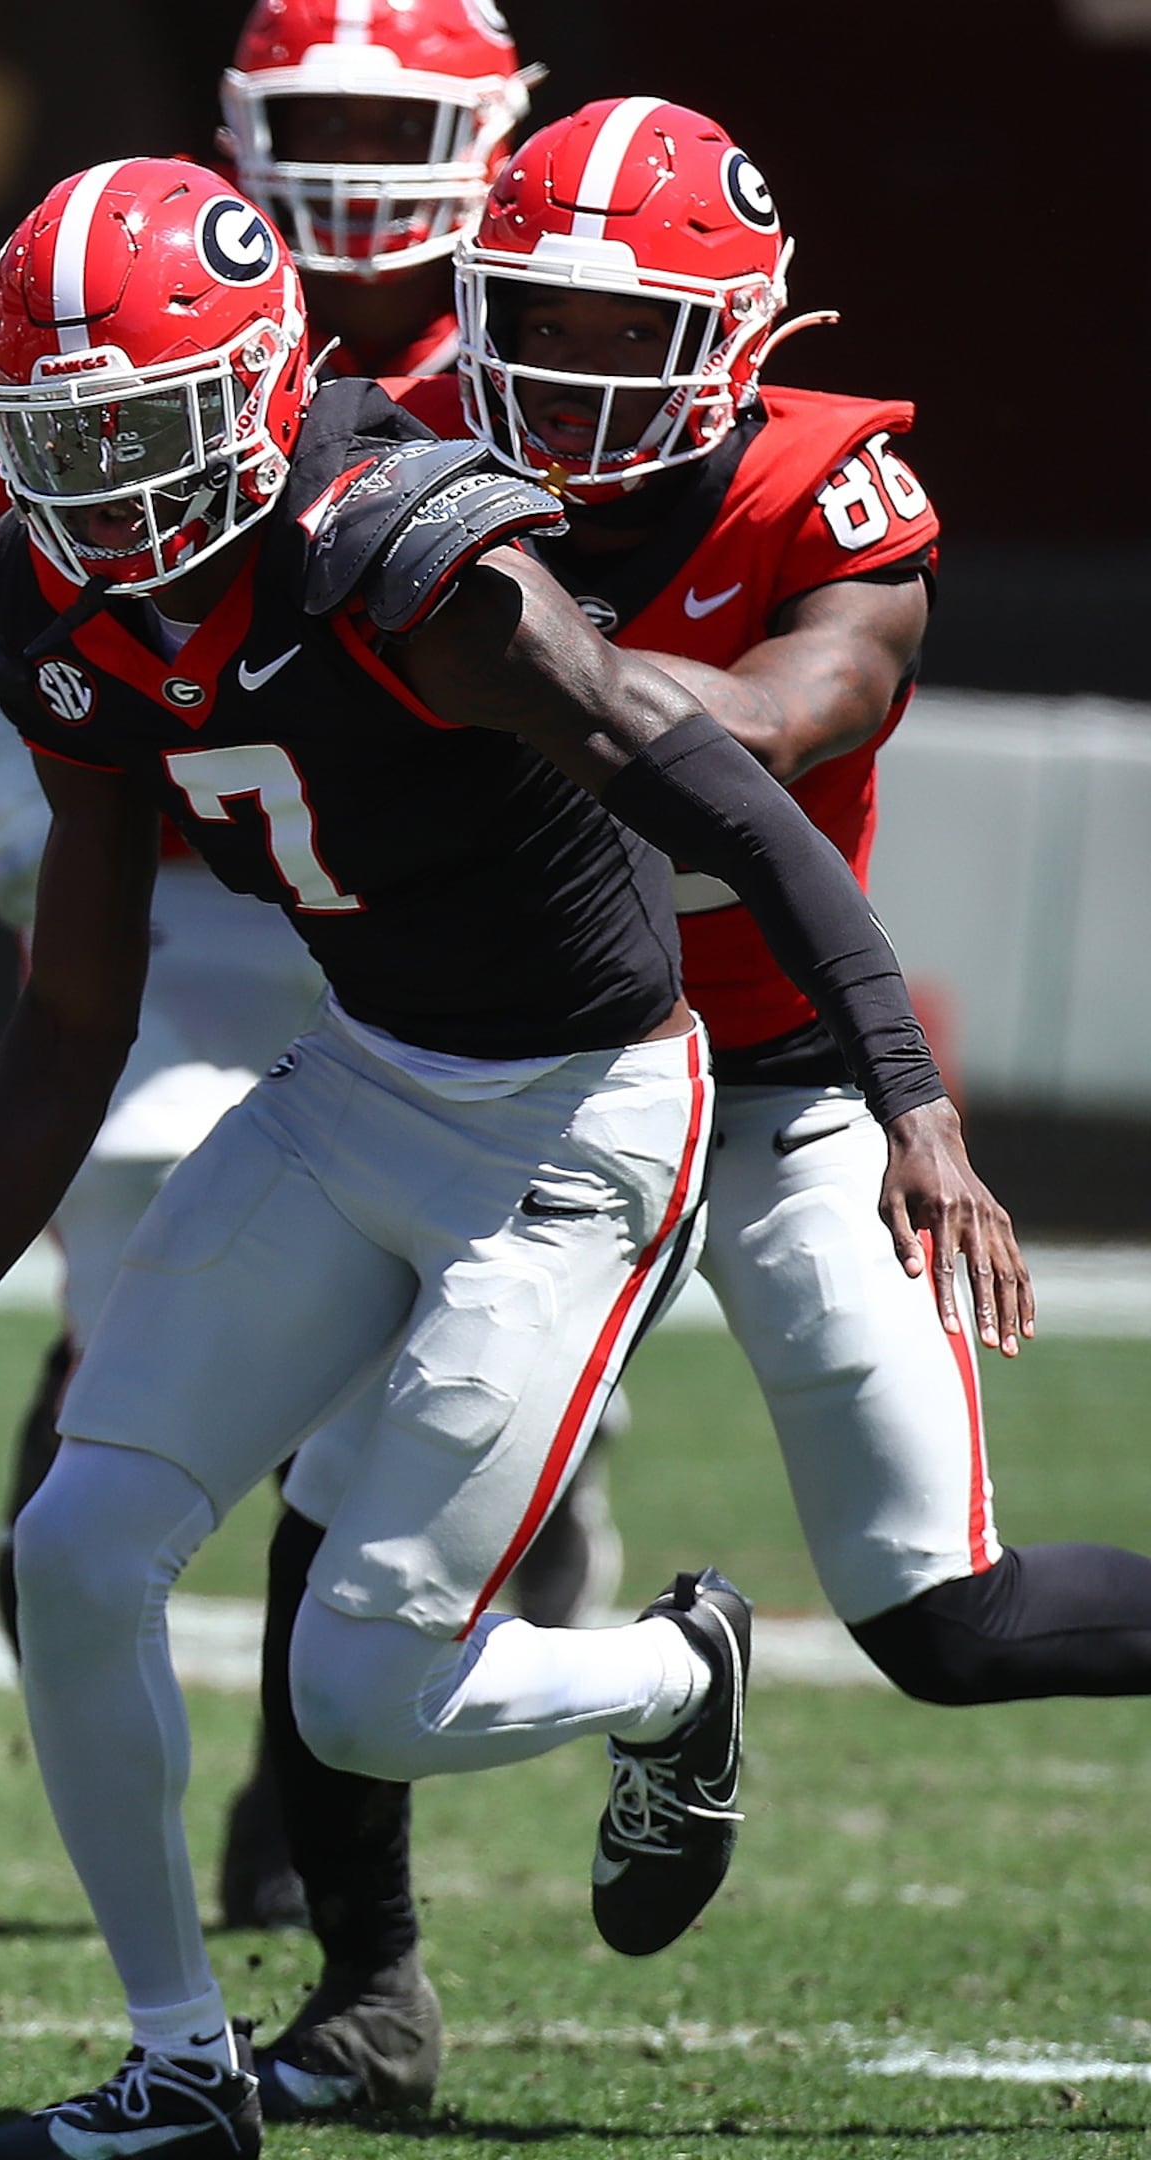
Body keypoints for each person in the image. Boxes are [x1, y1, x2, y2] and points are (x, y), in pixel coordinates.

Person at [0, 159, 1027, 2160]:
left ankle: (674, 1672)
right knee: (75, 1547)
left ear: (260, 389)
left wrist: (912, 1100)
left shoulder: (407, 562)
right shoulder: (61, 600)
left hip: (577, 1120)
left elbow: (729, 802)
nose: (102, 488)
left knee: (363, 1691)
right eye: (62, 443)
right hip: (366, 1072)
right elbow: (73, 1009)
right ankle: (180, 2064)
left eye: (141, 431)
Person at [248, 98, 1151, 2119]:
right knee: (327, 1521)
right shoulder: (389, 440)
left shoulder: (828, 504)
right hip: (528, 1087)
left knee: (951, 1618)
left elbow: (753, 730)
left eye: (621, 331)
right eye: (533, 320)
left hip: (777, 1084)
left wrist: (485, 642)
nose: (563, 382)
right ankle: (365, 1994)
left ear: (745, 346)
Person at [0, 0, 598, 1938]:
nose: (361, 168)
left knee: (425, 1318)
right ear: (240, 128)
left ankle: (329, 1792)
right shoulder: (136, 278)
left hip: (457, 907)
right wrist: (4, 766)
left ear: (498, 128)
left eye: (402, 120)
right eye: (323, 119)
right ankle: (120, 1381)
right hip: (205, 867)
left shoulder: (556, 291)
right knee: (150, 1197)